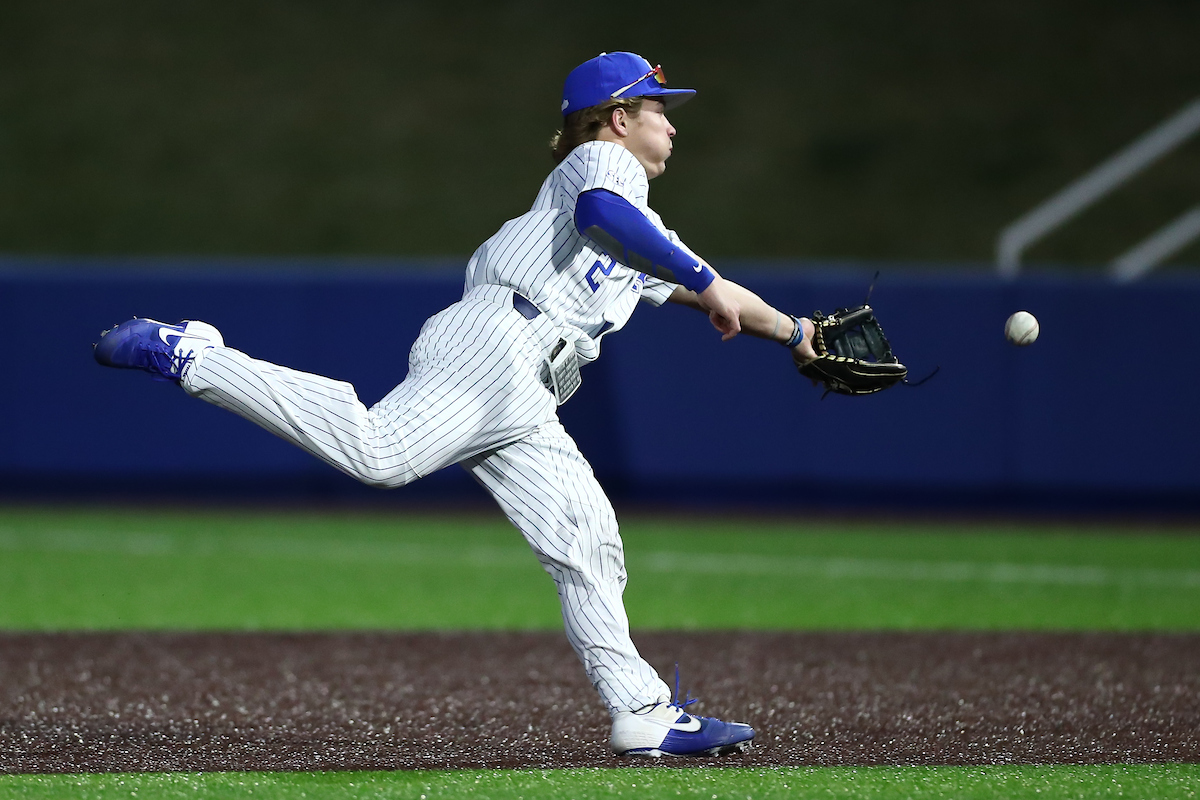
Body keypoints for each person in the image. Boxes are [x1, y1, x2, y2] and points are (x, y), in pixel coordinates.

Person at [94, 51, 818, 758]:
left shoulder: (644, 228)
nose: (672, 125)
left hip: (526, 391)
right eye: (661, 109)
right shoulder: (601, 165)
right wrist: (699, 277)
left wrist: (797, 332)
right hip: (498, 342)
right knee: (379, 454)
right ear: (617, 118)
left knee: (588, 543)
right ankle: (195, 356)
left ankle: (642, 712)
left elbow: (711, 288)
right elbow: (607, 216)